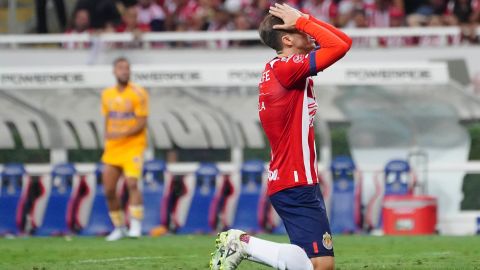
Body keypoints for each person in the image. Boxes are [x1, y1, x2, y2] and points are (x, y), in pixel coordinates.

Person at [209, 3, 351, 270]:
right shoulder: (287, 68)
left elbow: (342, 40)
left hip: (292, 179)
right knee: (321, 265)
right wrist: (305, 19)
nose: (309, 34)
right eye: (299, 31)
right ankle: (241, 243)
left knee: (315, 263)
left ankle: (242, 243)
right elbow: (341, 47)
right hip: (295, 180)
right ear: (286, 39)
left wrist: (304, 20)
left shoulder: (281, 68)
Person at [101, 57, 149, 241]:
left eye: (127, 68)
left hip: (133, 147)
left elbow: (142, 121)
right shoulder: (107, 94)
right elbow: (107, 118)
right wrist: (106, 137)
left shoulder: (139, 93)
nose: (124, 71)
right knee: (109, 190)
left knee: (132, 184)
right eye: (121, 68)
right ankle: (119, 227)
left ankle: (135, 226)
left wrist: (120, 135)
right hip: (113, 149)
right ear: (114, 71)